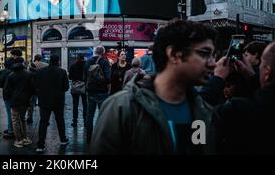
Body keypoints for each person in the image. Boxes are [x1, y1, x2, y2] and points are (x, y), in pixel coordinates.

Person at [91, 19, 218, 154]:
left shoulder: (203, 111)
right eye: (204, 53)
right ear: (174, 54)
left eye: (213, 55)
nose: (213, 63)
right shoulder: (121, 108)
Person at [35, 54, 69, 153]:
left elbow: (36, 85)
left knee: (43, 122)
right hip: (58, 100)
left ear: (49, 61)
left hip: (44, 100)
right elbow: (66, 87)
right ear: (58, 61)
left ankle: (40, 145)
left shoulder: (41, 71)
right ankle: (63, 139)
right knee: (60, 120)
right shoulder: (62, 72)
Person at [3, 57, 35, 148]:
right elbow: (32, 88)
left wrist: (8, 97)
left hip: (14, 100)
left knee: (15, 119)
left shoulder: (11, 75)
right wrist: (29, 97)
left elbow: (6, 90)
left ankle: (18, 140)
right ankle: (25, 138)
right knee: (23, 118)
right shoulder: (29, 74)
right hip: (25, 100)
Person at [84, 45, 111, 144]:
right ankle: (102, 137)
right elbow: (108, 78)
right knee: (103, 114)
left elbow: (85, 77)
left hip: (91, 92)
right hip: (102, 92)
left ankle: (88, 138)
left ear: (94, 52)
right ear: (103, 52)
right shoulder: (104, 62)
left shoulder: (88, 62)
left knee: (89, 116)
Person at [0, 49, 23, 138]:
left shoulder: (4, 72)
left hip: (7, 95)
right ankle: (16, 129)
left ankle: (11, 130)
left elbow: (0, 84)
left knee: (9, 112)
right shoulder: (17, 70)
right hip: (18, 94)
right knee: (17, 113)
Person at [26, 54, 48, 124]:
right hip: (43, 87)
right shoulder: (46, 65)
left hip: (33, 87)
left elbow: (28, 75)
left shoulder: (31, 65)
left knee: (31, 103)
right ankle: (43, 118)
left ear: (35, 58)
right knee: (42, 103)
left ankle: (30, 117)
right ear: (41, 58)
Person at [68, 54, 87, 127]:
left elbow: (70, 77)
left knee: (75, 105)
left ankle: (75, 121)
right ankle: (85, 121)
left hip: (75, 86)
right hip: (84, 86)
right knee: (85, 104)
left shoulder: (73, 66)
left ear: (77, 58)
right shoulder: (86, 65)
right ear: (83, 58)